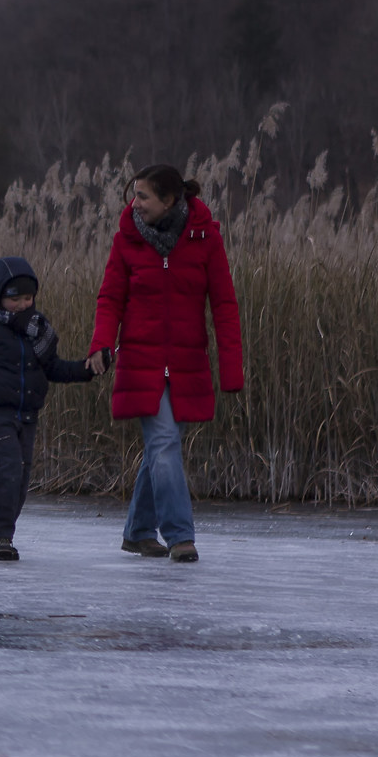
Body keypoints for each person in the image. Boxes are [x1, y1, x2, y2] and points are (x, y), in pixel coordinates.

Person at [89, 164, 244, 564]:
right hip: (141, 361)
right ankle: (180, 536)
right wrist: (101, 344)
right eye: (134, 195)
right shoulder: (126, 241)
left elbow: (224, 306)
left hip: (187, 362)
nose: (134, 204)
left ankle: (139, 532)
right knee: (164, 443)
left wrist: (231, 367)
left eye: (143, 197)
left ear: (170, 200)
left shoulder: (205, 239)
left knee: (162, 448)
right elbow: (110, 299)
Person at [0, 257, 104, 561]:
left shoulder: (37, 329)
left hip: (28, 413)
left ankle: (2, 535)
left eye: (27, 298)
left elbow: (53, 368)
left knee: (20, 474)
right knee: (8, 468)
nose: (21, 304)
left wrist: (86, 370)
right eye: (14, 298)